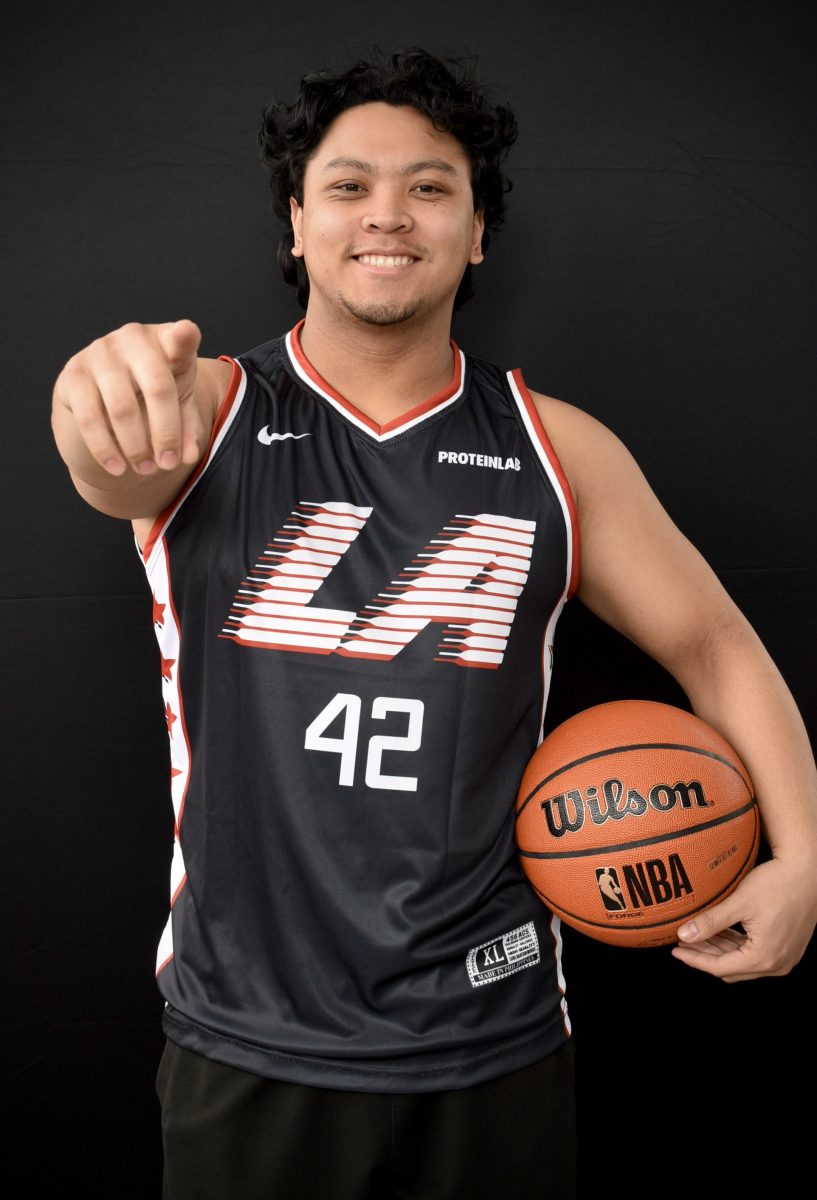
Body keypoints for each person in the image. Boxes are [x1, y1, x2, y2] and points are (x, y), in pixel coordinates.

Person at [50, 49, 817, 1200]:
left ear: (477, 229)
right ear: (296, 221)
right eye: (347, 185)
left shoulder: (558, 451)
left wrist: (803, 861)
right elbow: (111, 456)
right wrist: (94, 393)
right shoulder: (205, 414)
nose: (387, 214)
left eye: (429, 186)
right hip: (248, 1042)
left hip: (491, 1035)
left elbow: (715, 646)